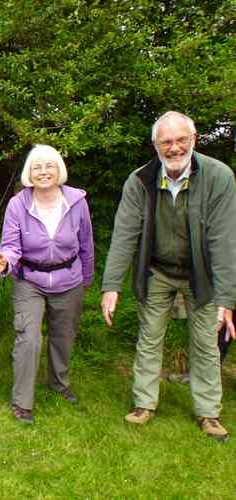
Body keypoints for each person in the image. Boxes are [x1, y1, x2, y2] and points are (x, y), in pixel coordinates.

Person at [101, 111, 236, 442]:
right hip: (157, 270)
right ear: (155, 145)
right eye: (166, 141)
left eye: (181, 140)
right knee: (149, 339)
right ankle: (144, 405)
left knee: (206, 343)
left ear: (194, 139)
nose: (174, 148)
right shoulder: (139, 180)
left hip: (201, 274)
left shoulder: (219, 176)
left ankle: (208, 413)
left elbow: (224, 239)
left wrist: (226, 298)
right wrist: (110, 286)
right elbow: (124, 235)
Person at [0, 145, 94, 424]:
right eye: (37, 167)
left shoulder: (77, 202)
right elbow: (11, 245)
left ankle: (58, 383)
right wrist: (5, 261)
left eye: (49, 166)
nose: (43, 172)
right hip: (30, 281)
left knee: (63, 336)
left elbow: (86, 244)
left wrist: (86, 279)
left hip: (68, 279)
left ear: (58, 169)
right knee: (29, 338)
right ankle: (22, 401)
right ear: (29, 173)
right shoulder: (18, 204)